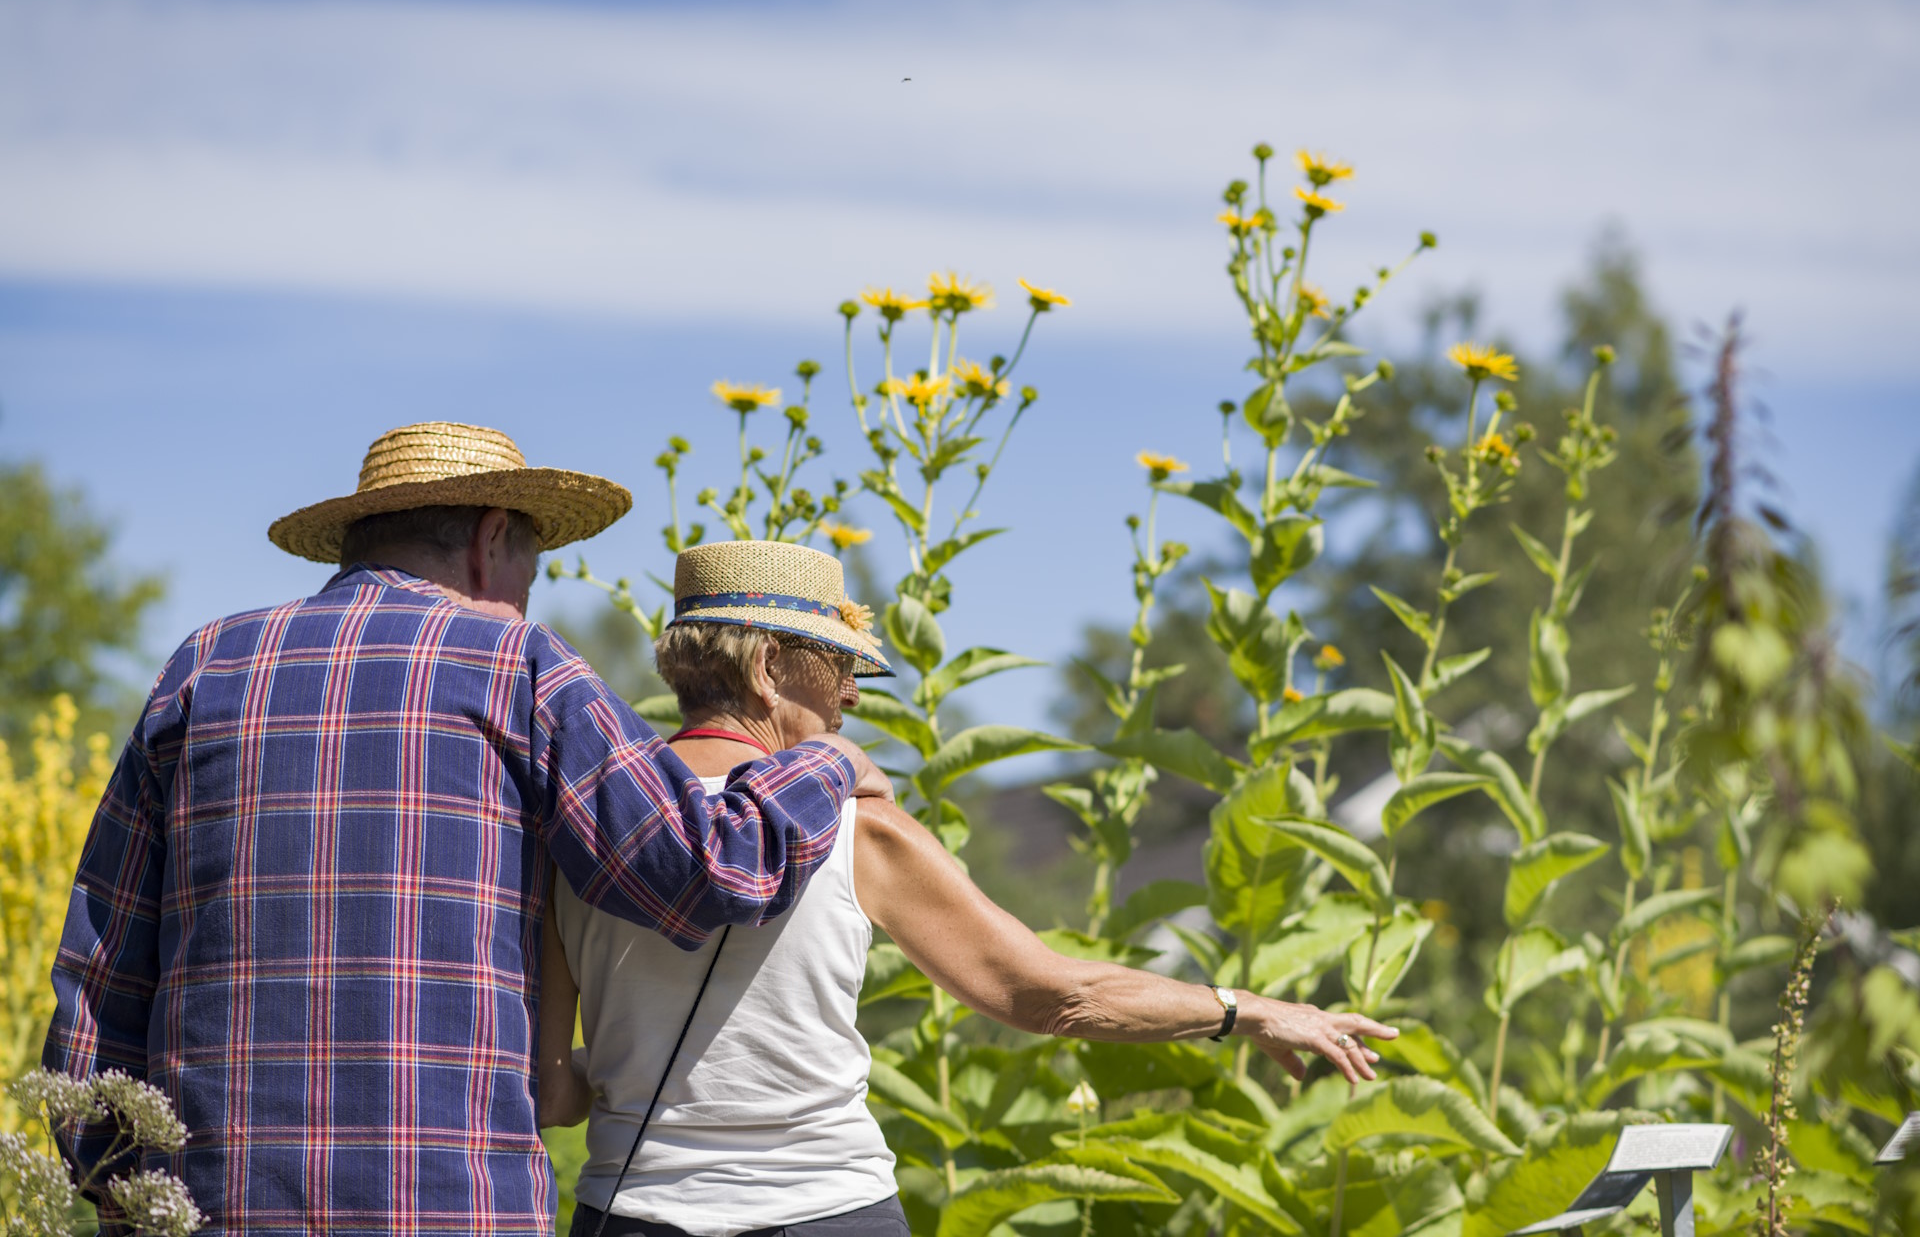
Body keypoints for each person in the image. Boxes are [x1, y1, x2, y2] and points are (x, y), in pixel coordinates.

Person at [42, 423, 892, 1236]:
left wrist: (127, 1201)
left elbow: (101, 978)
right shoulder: (519, 664)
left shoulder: (206, 665)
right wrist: (832, 763)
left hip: (214, 1204)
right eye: (534, 562)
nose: (530, 592)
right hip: (447, 1202)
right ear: (492, 539)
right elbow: (713, 874)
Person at [540, 540, 1398, 1237]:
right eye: (838, 663)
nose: (849, 696)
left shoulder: (578, 833)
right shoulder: (857, 826)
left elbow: (554, 1094)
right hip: (826, 1216)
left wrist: (626, 1061)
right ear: (769, 666)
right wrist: (1244, 1009)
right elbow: (1050, 996)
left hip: (631, 1212)